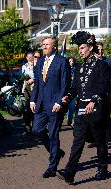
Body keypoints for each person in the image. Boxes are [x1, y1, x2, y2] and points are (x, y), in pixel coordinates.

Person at [56, 31, 111, 184]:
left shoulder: (102, 65)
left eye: (82, 48)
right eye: (79, 49)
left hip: (96, 109)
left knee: (100, 141)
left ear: (90, 47)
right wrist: (68, 96)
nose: (79, 51)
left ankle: (102, 169)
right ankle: (69, 173)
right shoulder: (79, 67)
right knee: (77, 142)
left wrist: (94, 100)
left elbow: (104, 85)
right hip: (81, 109)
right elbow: (75, 87)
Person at [30, 35, 70, 178]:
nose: (44, 47)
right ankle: (57, 152)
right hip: (40, 103)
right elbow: (38, 82)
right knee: (36, 130)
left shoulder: (62, 61)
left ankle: (52, 167)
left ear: (54, 46)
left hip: (55, 105)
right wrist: (32, 100)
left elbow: (65, 84)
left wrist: (59, 102)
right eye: (43, 44)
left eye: (47, 44)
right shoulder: (40, 62)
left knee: (53, 135)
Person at [87, 41, 111, 148]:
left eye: (102, 50)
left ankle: (107, 138)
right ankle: (96, 138)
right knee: (94, 116)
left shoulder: (108, 61)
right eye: (98, 50)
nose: (100, 52)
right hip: (93, 93)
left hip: (106, 92)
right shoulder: (90, 61)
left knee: (105, 115)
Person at [21, 52, 35, 134]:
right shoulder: (24, 66)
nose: (30, 58)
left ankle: (34, 127)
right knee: (26, 109)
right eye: (28, 57)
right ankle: (27, 127)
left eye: (31, 56)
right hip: (26, 90)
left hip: (35, 89)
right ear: (26, 58)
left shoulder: (36, 66)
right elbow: (23, 77)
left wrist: (32, 79)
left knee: (34, 109)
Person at [66, 57, 79, 127]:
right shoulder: (66, 69)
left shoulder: (76, 70)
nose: (71, 62)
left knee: (72, 106)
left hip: (73, 91)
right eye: (70, 61)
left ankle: (69, 120)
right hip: (66, 90)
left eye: (72, 61)